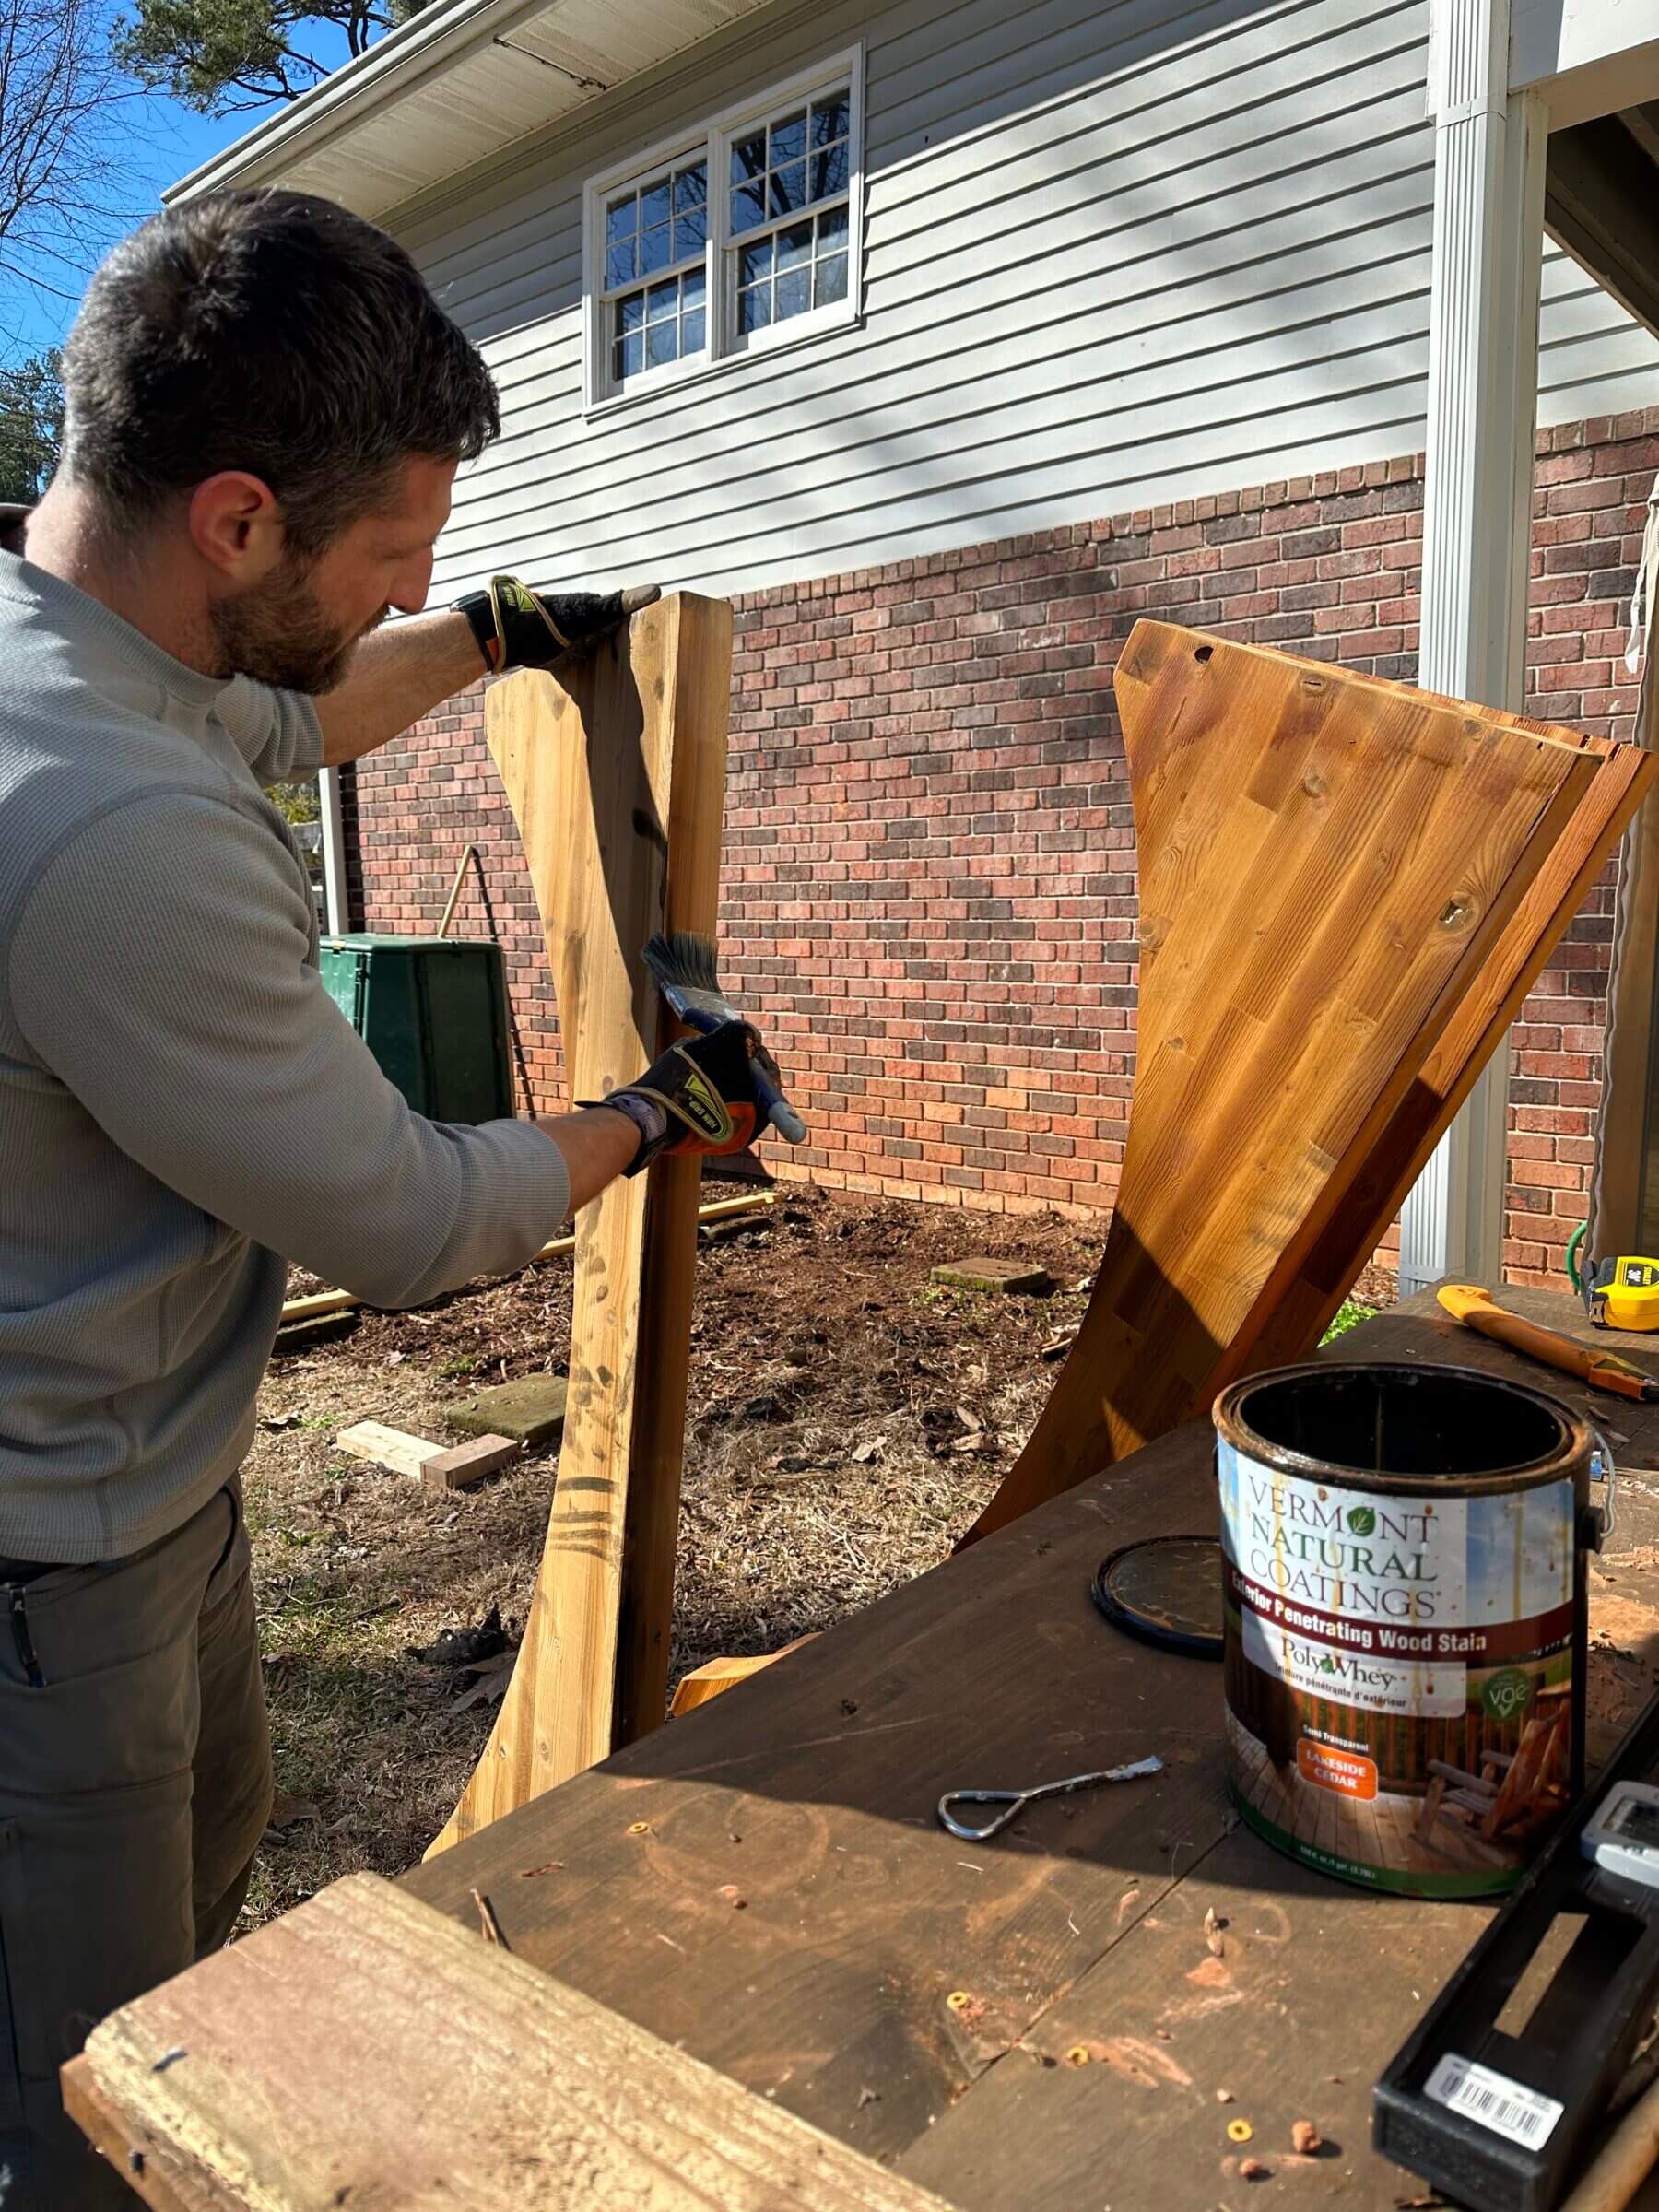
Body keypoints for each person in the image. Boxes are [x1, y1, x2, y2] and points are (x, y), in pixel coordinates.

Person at [0, 188, 781, 2208]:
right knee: (88, 2089)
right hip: (42, 1568)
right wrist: (649, 1109)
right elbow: (415, 1224)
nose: (401, 593)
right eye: (394, 559)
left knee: (202, 1899)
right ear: (240, 521)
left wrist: (486, 638)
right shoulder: (110, 827)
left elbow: (294, 705)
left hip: (142, 1491)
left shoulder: (90, 652)